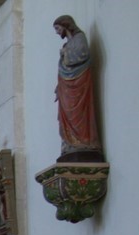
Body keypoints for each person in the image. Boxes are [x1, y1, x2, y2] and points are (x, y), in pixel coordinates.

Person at [53, 15, 103, 162]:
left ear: (65, 25)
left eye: (58, 28)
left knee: (80, 114)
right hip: (66, 87)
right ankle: (70, 143)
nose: (57, 32)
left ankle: (85, 142)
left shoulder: (80, 38)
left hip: (79, 84)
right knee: (67, 114)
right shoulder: (67, 44)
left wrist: (65, 54)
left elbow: (83, 54)